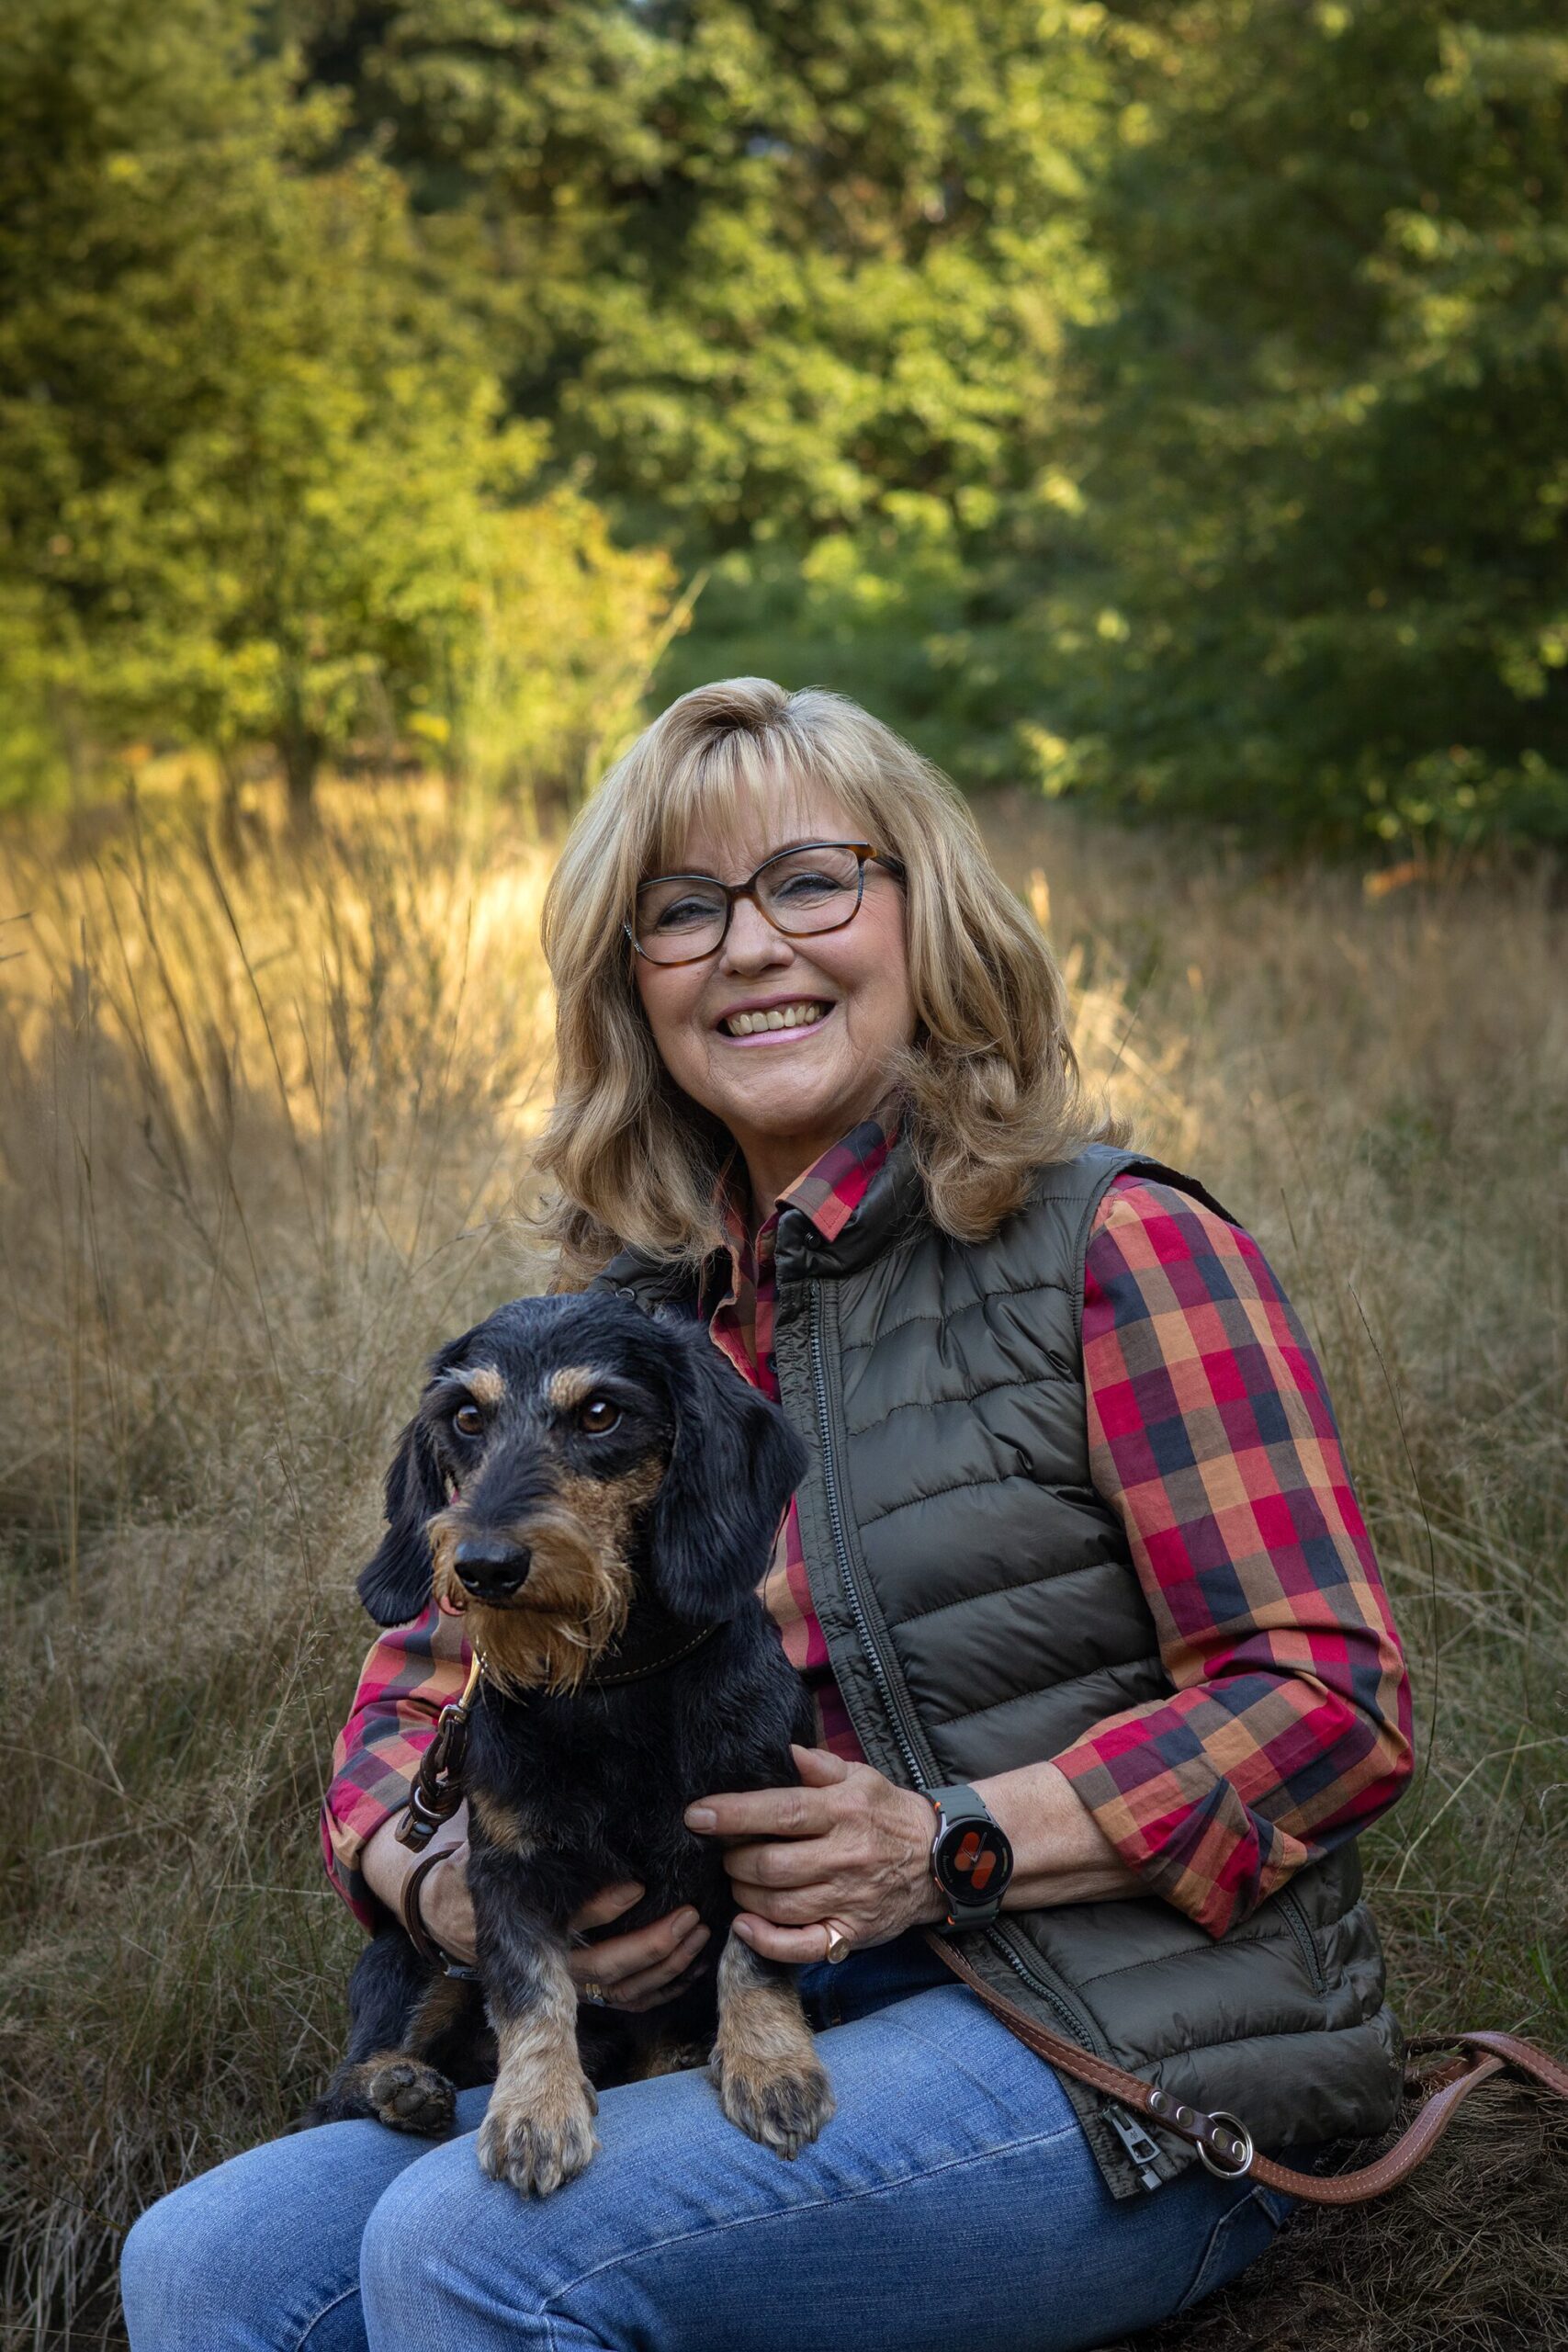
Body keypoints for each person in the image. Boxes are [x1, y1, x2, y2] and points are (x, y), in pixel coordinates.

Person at [121, 679, 1413, 2352]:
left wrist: (949, 1841)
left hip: (1111, 2037)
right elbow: (418, 1683)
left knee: (470, 2249)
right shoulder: (622, 1330)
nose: (749, 948)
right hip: (749, 2011)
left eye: (812, 882)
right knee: (201, 2264)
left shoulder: (1115, 1247)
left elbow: (1329, 1699)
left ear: (923, 914)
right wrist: (425, 1875)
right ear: (631, 986)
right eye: (682, 910)